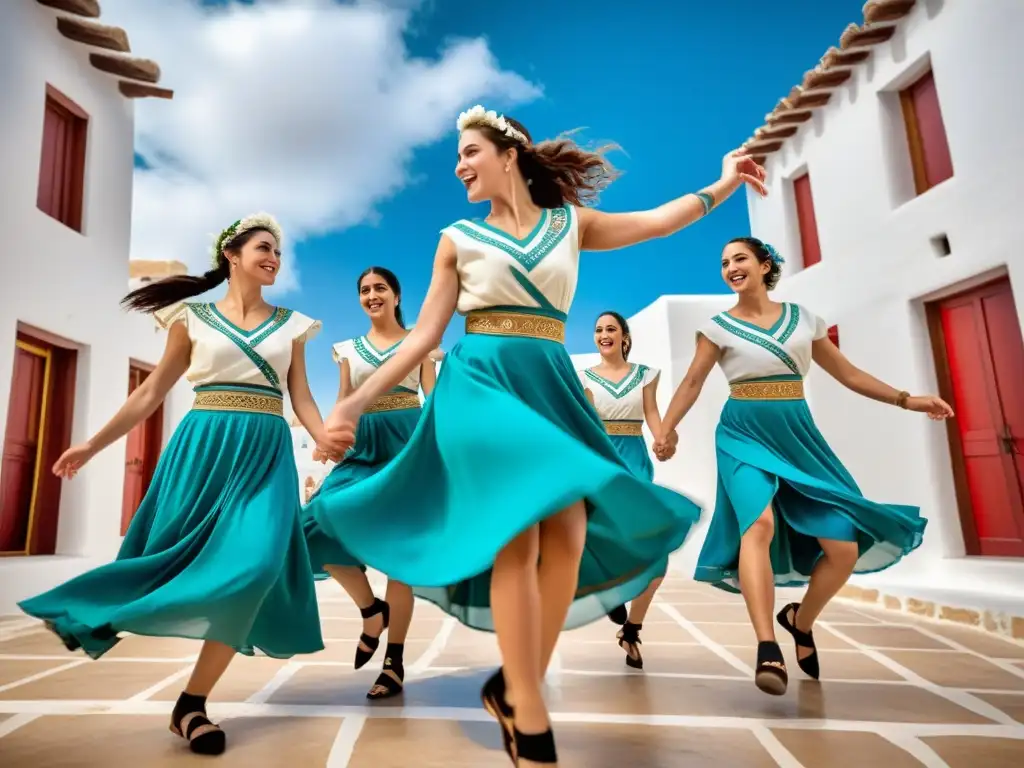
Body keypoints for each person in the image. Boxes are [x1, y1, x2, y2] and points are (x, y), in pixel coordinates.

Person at [314, 105, 766, 766]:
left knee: (569, 536)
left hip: (548, 384)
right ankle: (527, 700)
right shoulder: (457, 239)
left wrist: (724, 182)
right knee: (519, 539)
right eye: (456, 158)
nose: (460, 167)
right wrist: (354, 399)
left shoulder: (570, 226)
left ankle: (513, 682)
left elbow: (659, 223)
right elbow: (424, 338)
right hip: (481, 386)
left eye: (469, 152)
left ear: (509, 153)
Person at [18, 214, 351, 755]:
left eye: (279, 252)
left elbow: (302, 396)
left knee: (258, 565)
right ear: (234, 255)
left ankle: (190, 699)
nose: (274, 258)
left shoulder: (293, 326)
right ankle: (98, 617)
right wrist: (91, 445)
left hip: (265, 455)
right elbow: (149, 395)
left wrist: (324, 438)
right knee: (172, 560)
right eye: (264, 248)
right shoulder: (191, 319)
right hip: (204, 448)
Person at [656, 236, 954, 697]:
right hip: (742, 436)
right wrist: (668, 429)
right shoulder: (717, 328)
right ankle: (766, 646)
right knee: (758, 526)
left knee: (843, 547)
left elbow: (849, 374)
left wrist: (907, 399)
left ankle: (800, 619)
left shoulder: (804, 319)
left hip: (798, 440)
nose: (731, 267)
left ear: (764, 264)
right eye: (723, 262)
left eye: (740, 259)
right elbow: (692, 382)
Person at [302, 266, 438, 700]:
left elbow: (433, 402)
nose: (372, 295)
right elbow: (344, 401)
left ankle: (393, 662)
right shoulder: (347, 349)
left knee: (400, 562)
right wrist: (326, 438)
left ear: (397, 296)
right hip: (363, 450)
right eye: (364, 290)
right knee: (313, 526)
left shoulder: (421, 343)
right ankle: (370, 609)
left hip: (408, 450)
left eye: (380, 288)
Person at [579, 311, 673, 669]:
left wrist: (665, 440)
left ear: (624, 337)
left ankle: (632, 628)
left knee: (655, 556)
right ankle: (609, 588)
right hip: (603, 466)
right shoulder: (583, 378)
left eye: (611, 329)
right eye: (598, 329)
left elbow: (654, 417)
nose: (604, 334)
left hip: (636, 463)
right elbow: (586, 426)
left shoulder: (645, 375)